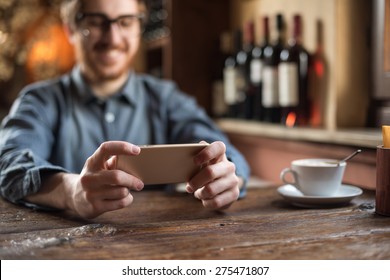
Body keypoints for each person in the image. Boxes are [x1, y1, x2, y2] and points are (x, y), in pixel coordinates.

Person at [0, 0, 250, 219]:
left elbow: (227, 156)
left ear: (139, 28)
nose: (112, 38)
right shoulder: (39, 100)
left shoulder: (166, 98)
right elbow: (10, 165)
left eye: (126, 22)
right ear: (71, 29)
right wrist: (71, 191)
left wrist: (227, 177)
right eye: (97, 22)